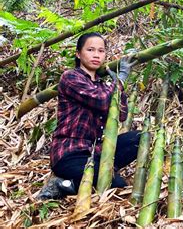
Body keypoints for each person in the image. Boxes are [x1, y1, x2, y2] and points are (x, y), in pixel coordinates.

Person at [38, 32, 140, 199]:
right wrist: (120, 81)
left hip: (96, 151)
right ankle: (64, 185)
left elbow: (121, 115)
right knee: (117, 185)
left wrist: (117, 86)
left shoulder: (103, 85)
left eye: (101, 51)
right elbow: (101, 101)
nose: (96, 55)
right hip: (70, 154)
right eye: (90, 50)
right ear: (78, 54)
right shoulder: (71, 77)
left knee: (140, 137)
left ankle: (91, 174)